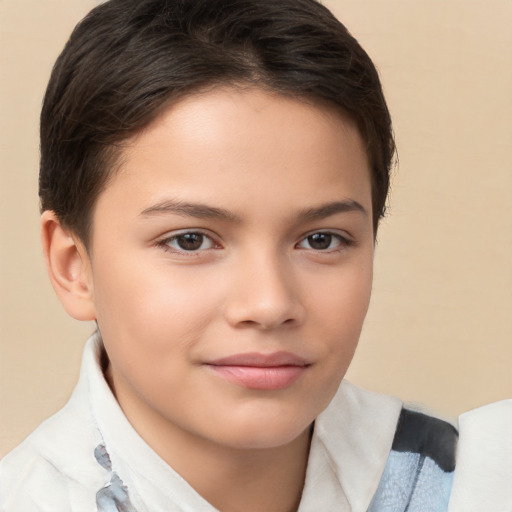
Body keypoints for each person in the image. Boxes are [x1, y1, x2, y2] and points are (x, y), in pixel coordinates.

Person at [0, 0, 508, 510]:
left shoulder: (477, 486)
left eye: (321, 239)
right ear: (74, 266)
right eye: (190, 240)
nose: (268, 304)